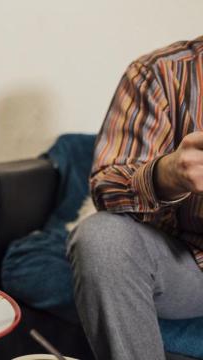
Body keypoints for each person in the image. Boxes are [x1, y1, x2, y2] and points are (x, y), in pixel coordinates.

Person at [68, 36, 203, 359]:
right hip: (189, 266)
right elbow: (105, 187)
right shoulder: (157, 73)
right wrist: (167, 173)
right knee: (101, 238)